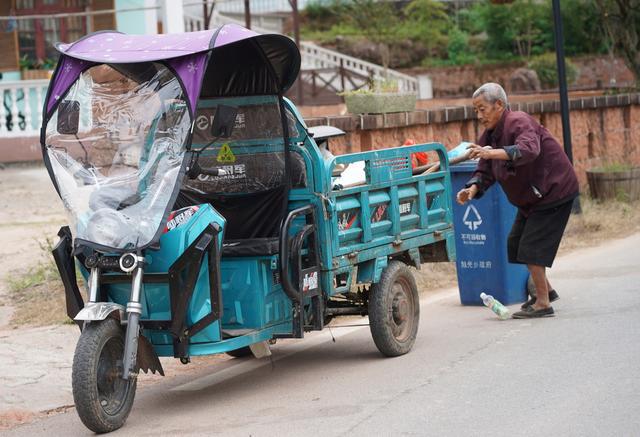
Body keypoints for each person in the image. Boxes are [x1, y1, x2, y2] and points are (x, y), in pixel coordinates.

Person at [456, 83, 579, 319]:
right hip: (530, 199)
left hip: (552, 191)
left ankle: (543, 303)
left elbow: (529, 150)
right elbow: (485, 171)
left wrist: (491, 152)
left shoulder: (519, 121)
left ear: (499, 105)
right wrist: (471, 190)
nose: (479, 116)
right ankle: (547, 290)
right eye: (476, 111)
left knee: (531, 249)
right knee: (516, 244)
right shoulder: (490, 134)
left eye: (483, 109)